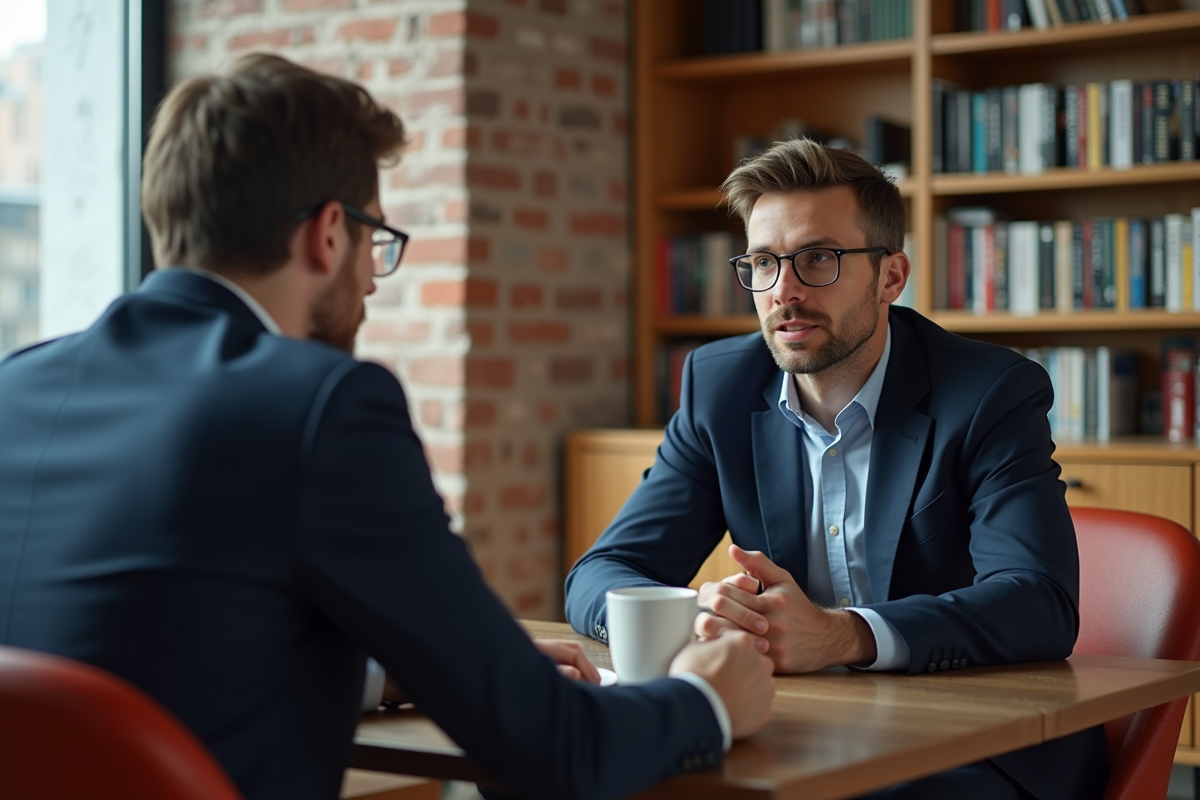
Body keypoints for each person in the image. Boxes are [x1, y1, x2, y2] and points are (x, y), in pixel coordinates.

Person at [0, 54, 775, 800]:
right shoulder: (319, 405)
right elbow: (556, 749)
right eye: (375, 242)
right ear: (327, 233)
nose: (372, 280)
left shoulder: (17, 384)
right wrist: (705, 698)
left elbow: (139, 648)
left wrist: (387, 671)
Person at [564, 138, 1107, 800]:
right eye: (763, 262)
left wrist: (843, 636)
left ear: (891, 277)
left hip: (970, 740)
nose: (783, 291)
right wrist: (694, 615)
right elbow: (600, 572)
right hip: (798, 725)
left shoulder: (990, 393)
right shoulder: (719, 388)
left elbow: (1038, 602)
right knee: (559, 768)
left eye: (818, 258)